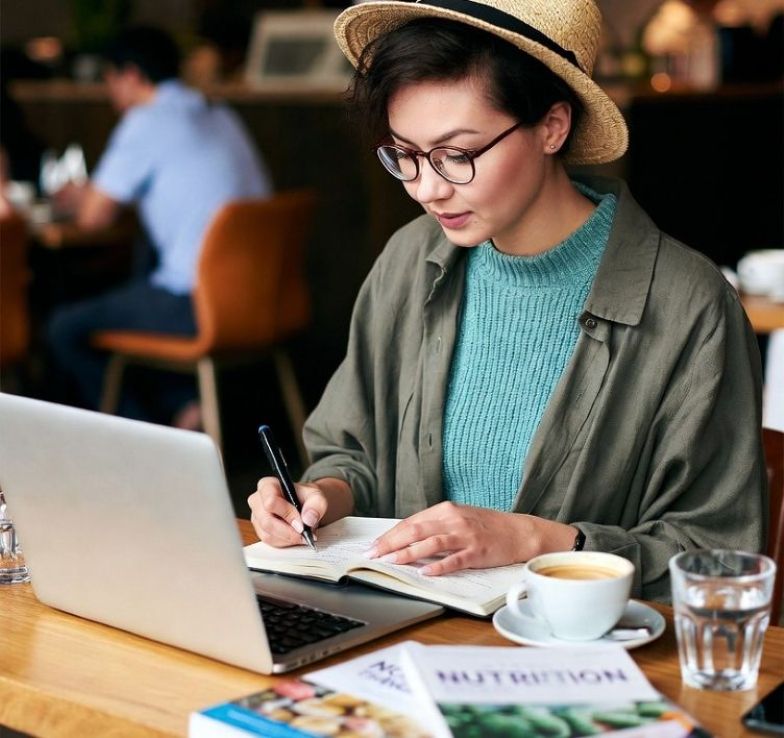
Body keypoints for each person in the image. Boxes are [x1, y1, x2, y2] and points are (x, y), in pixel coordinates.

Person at [248, 0, 767, 601]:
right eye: (406, 155)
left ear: (553, 126)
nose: (427, 188)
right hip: (404, 637)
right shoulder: (410, 262)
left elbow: (715, 556)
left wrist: (533, 541)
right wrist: (321, 498)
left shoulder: (688, 306)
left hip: (576, 661)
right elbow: (351, 449)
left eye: (458, 155)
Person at [46, 25, 271, 423]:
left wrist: (84, 197)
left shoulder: (145, 121)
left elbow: (93, 218)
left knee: (63, 328)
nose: (111, 94)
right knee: (144, 279)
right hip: (262, 299)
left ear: (130, 76)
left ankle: (143, 438)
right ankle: (186, 406)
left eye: (110, 81)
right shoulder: (219, 112)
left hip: (195, 305)